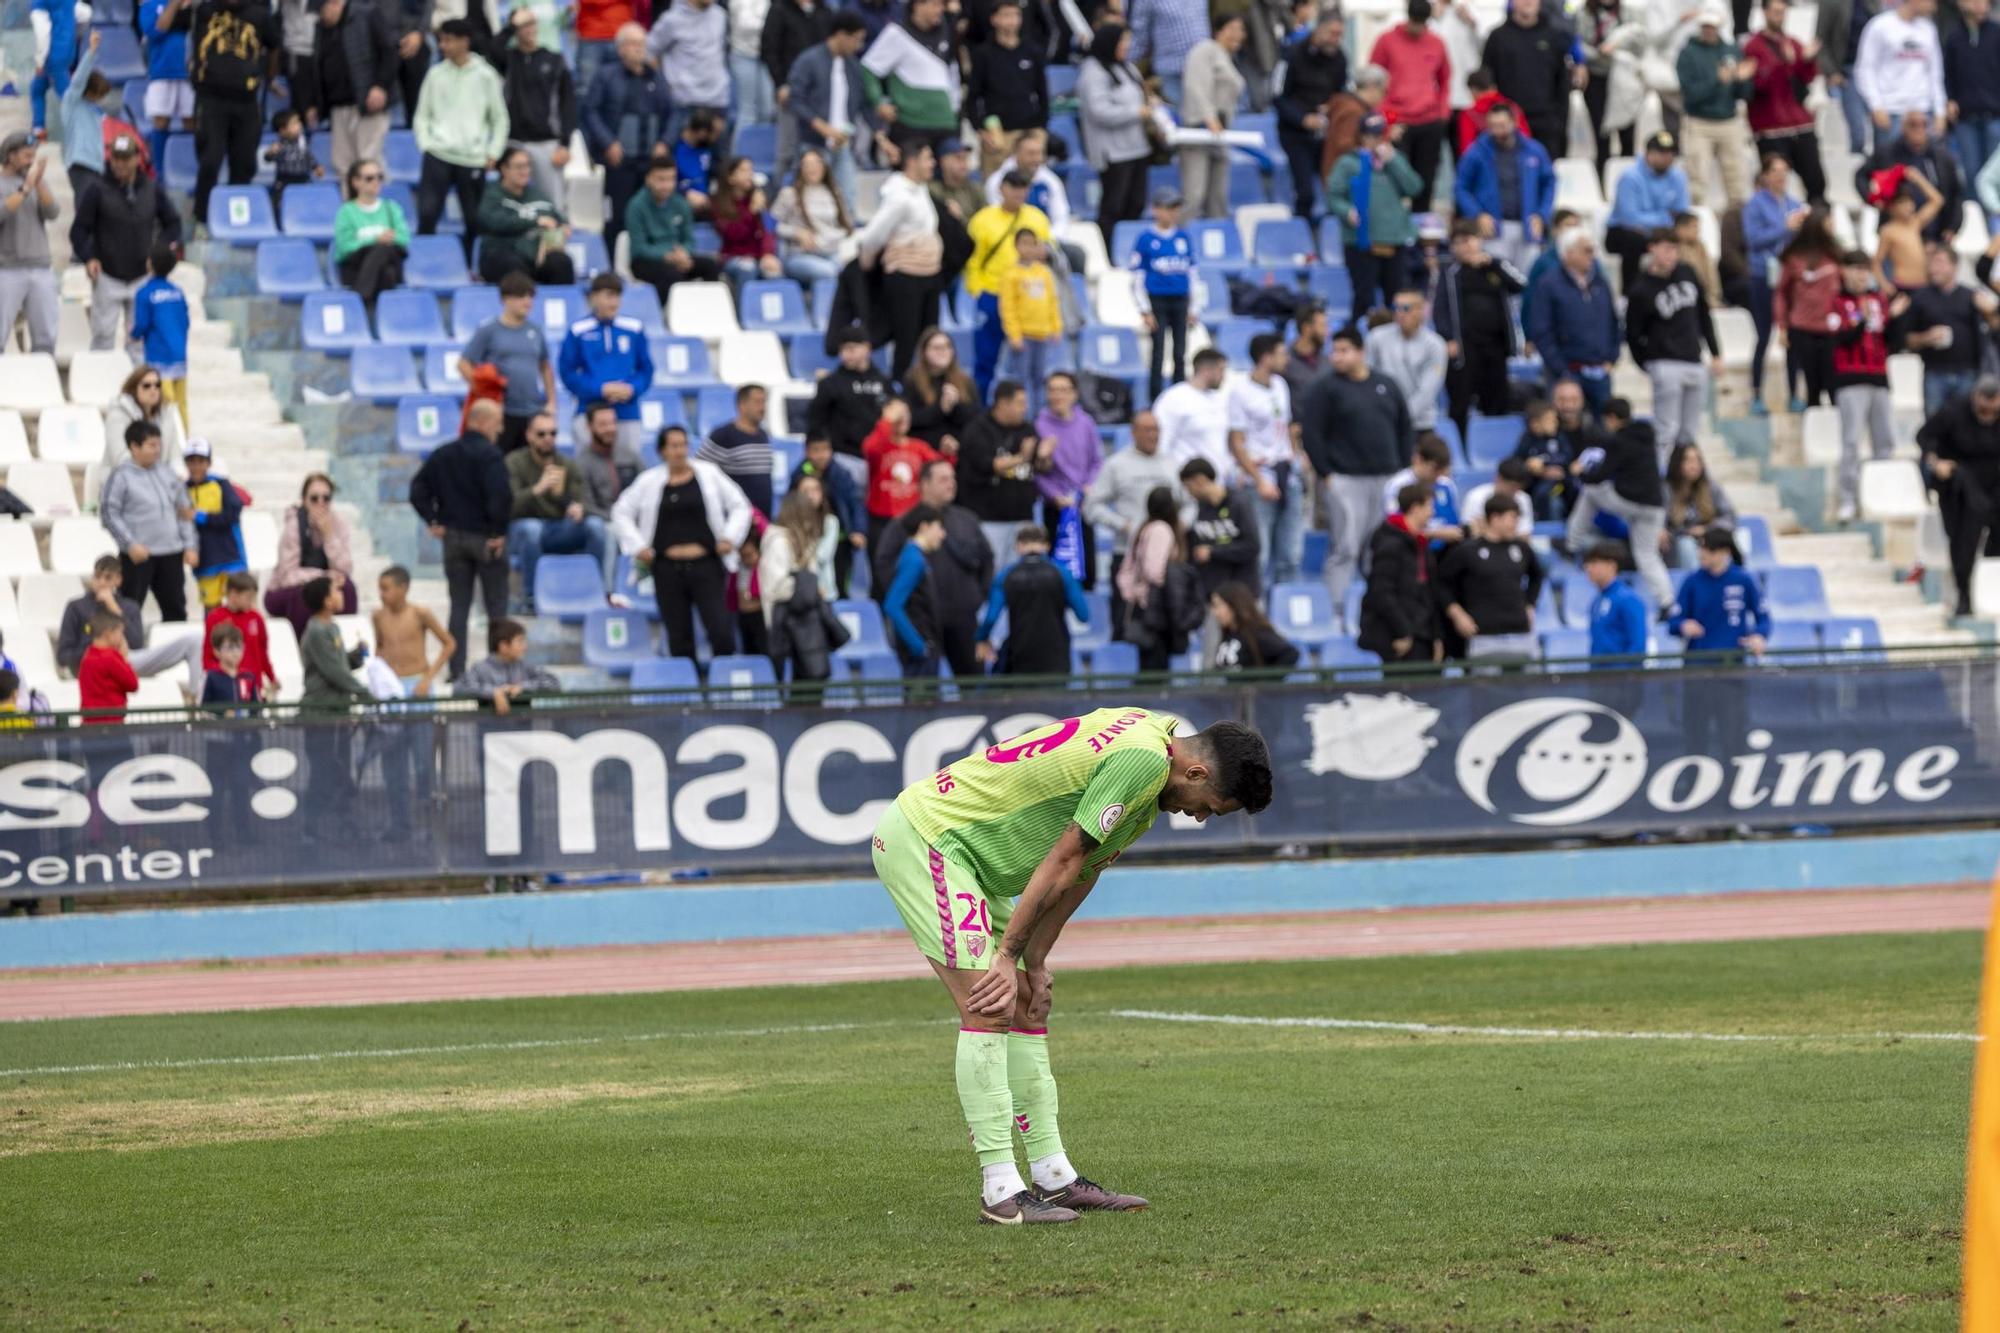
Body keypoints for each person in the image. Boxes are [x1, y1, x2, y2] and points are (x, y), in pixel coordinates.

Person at [869, 705, 1271, 1222]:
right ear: (1196, 772)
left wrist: (1035, 960)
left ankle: (1054, 1178)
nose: (1198, 816)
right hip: (930, 838)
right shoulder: (1142, 761)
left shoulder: (1150, 773)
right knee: (990, 1006)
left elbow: (1082, 872)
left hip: (969, 859)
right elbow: (1063, 856)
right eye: (1209, 806)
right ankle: (999, 1192)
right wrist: (1007, 955)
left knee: (1027, 1007)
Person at [1299, 327, 1413, 623]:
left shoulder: (1386, 385)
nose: (1337, 357)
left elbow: (1404, 428)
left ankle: (1377, 608)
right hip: (1345, 478)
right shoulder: (1325, 389)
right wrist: (1327, 474)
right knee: (1346, 546)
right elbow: (1312, 435)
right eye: (1334, 351)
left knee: (1380, 548)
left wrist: (1402, 470)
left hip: (1386, 477)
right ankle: (1336, 611)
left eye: (1344, 350)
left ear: (1361, 352)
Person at [611, 425, 755, 660]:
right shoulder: (649, 480)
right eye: (674, 446)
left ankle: (722, 686)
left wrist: (730, 537)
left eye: (683, 444)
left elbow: (740, 505)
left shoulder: (709, 473)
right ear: (662, 451)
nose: (680, 451)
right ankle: (689, 688)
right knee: (679, 636)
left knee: (720, 630)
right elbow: (621, 511)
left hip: (706, 565)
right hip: (667, 568)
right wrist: (638, 546)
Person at [409, 400, 511, 678]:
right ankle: (497, 671)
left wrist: (432, 519)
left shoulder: (444, 454)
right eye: (497, 422)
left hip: (453, 538)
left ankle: (457, 671)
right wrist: (498, 532)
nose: (500, 429)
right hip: (485, 540)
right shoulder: (490, 456)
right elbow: (500, 497)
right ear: (483, 422)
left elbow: (417, 489)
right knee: (496, 609)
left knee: (459, 607)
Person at [871, 458, 992, 674]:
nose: (951, 484)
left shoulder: (967, 519)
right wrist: (914, 602)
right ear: (924, 484)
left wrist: (977, 596)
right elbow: (884, 565)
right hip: (923, 623)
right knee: (924, 694)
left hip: (963, 619)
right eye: (943, 479)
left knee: (973, 686)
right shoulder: (903, 524)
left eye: (953, 478)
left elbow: (986, 559)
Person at [70, 136, 181, 353]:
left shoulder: (151, 189)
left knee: (138, 340)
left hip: (141, 275)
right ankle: (100, 383)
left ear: (137, 159)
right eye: (116, 158)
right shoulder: (97, 189)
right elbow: (79, 230)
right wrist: (89, 256)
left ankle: (136, 385)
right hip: (107, 274)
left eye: (125, 159)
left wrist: (159, 253)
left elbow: (173, 224)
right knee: (102, 336)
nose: (120, 164)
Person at [1625, 227, 1723, 461]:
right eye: (1666, 249)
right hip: (1665, 363)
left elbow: (1704, 314)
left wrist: (1715, 351)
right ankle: (1660, 481)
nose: (1671, 255)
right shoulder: (1641, 288)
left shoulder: (1687, 272)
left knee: (1689, 432)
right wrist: (1648, 363)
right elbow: (1633, 333)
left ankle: (1683, 483)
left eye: (1675, 250)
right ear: (1653, 249)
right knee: (1666, 429)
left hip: (1694, 360)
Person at [413, 19, 509, 257]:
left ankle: (466, 268)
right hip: (438, 155)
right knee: (427, 214)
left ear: (464, 41)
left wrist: (493, 152)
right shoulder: (435, 74)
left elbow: (500, 119)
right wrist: (426, 144)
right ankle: (425, 263)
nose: (443, 45)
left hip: (472, 159)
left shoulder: (486, 75)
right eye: (441, 40)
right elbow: (421, 116)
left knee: (474, 220)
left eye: (448, 40)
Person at [1565, 397, 1673, 609]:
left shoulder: (1617, 441)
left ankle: (1571, 544)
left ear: (1612, 418)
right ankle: (1667, 602)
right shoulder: (1648, 435)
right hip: (1655, 506)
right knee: (1647, 554)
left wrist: (1578, 474)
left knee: (1590, 492)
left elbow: (1600, 475)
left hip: (1628, 501)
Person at [856, 140, 945, 379]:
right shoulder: (899, 197)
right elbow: (873, 236)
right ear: (912, 162)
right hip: (906, 278)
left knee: (930, 339)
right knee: (906, 341)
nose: (933, 164)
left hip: (929, 275)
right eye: (928, 158)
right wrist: (867, 263)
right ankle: (902, 389)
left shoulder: (922, 190)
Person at [1086, 412, 1181, 634]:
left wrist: (1181, 526)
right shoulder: (1116, 465)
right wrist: (1123, 525)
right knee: (1125, 626)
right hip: (1128, 555)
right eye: (1147, 430)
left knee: (1164, 629)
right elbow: (1092, 506)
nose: (1153, 435)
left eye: (1156, 429)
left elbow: (1188, 503)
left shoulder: (1171, 464)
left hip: (1167, 559)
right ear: (1133, 432)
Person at [1434, 218, 1526, 444]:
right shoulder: (1450, 272)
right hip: (1465, 348)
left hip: (1495, 346)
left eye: (1469, 240)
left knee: (1497, 400)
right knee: (1461, 401)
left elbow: (1521, 284)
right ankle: (1461, 447)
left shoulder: (1495, 265)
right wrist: (1448, 338)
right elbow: (1440, 309)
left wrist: (1494, 265)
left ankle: (1494, 444)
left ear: (1479, 241)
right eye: (1459, 242)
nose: (1465, 247)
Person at [1325, 114, 1423, 324]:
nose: (1374, 141)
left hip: (1394, 239)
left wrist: (1394, 161)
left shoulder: (1395, 161)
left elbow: (1414, 187)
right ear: (1361, 136)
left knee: (1396, 298)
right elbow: (1333, 195)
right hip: (1361, 242)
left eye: (1378, 135)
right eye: (1369, 136)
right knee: (1364, 298)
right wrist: (1347, 211)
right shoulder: (1348, 163)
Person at [55, 554, 204, 692]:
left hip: (126, 661)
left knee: (194, 641)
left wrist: (114, 607)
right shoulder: (76, 607)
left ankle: (199, 703)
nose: (101, 583)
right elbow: (63, 654)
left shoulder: (129, 606)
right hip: (91, 663)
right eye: (98, 577)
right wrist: (99, 652)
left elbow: (137, 643)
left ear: (118, 580)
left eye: (107, 578)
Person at [507, 411, 610, 609]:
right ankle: (531, 598)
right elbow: (509, 507)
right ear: (529, 435)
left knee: (595, 527)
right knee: (531, 529)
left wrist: (579, 509)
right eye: (541, 434)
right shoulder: (514, 462)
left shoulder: (567, 464)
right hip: (523, 530)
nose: (548, 439)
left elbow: (582, 501)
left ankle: (594, 590)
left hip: (559, 528)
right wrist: (537, 489)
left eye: (553, 434)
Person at [189, 0, 279, 227]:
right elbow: (164, 26)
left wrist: (270, 77)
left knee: (245, 164)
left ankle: (236, 221)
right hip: (211, 98)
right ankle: (202, 219)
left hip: (246, 101)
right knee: (210, 160)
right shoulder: (205, 11)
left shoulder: (259, 13)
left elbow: (275, 45)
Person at [583, 24, 672, 252]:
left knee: (647, 219)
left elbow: (673, 113)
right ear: (620, 48)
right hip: (618, 161)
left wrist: (664, 142)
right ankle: (611, 265)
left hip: (648, 162)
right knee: (616, 218)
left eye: (642, 44)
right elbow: (590, 111)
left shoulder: (656, 77)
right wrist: (607, 142)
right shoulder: (606, 76)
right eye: (632, 44)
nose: (638, 50)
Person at [1832, 248, 1905, 521]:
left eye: (1865, 269)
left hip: (1880, 377)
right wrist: (1861, 320)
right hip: (1850, 378)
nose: (1861, 275)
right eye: (1855, 268)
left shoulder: (1879, 300)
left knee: (1884, 440)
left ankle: (1881, 494)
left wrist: (1896, 318)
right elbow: (1841, 339)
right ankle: (1848, 499)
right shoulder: (1837, 302)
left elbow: (1892, 341)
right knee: (1851, 441)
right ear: (1844, 271)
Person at [1223, 334, 1301, 588]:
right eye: (1281, 353)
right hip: (1260, 476)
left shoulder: (1280, 385)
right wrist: (1258, 481)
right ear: (1266, 357)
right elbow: (1236, 442)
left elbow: (1286, 427)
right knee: (1261, 553)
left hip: (1286, 472)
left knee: (1291, 553)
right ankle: (1257, 614)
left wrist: (1298, 456)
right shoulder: (1240, 391)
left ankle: (1285, 608)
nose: (1286, 358)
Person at [966, 169, 1052, 396]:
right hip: (992, 292)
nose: (1018, 193)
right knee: (985, 358)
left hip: (1026, 297)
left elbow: (1046, 254)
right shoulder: (983, 220)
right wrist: (977, 290)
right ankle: (980, 408)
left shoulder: (1037, 218)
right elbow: (972, 259)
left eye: (1023, 188)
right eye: (1013, 187)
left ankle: (1024, 414)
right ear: (1001, 189)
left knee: (1027, 367)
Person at [100, 420, 196, 623]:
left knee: (176, 610)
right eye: (151, 445)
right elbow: (109, 513)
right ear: (134, 447)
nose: (157, 450)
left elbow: (185, 510)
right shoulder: (121, 476)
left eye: (158, 445)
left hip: (171, 552)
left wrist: (190, 545)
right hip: (139, 556)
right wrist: (130, 544)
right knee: (128, 609)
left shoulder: (168, 473)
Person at [1919, 376, 2000, 615]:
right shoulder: (1954, 412)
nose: (1988, 414)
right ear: (1975, 398)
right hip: (1960, 483)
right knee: (1963, 541)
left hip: (1994, 480)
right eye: (1984, 409)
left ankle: (1990, 585)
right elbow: (1925, 437)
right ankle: (1963, 594)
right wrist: (1935, 462)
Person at [1451, 102, 1555, 274]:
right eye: (1493, 126)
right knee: (1496, 278)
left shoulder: (1534, 150)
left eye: (1502, 126)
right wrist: (1477, 214)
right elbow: (1460, 187)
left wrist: (1542, 215)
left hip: (1527, 225)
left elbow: (1549, 183)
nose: (1498, 131)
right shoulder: (1477, 152)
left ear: (1513, 123)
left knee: (1528, 277)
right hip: (1494, 228)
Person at [1438, 495, 1545, 663]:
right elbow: (1442, 583)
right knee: (1485, 688)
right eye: (1512, 518)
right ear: (1495, 518)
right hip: (1483, 635)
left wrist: (1530, 604)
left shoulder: (1522, 548)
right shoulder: (1468, 550)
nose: (1516, 524)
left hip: (1521, 633)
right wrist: (1457, 614)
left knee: (1528, 686)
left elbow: (1537, 576)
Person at [558, 272, 654, 458]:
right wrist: (600, 389)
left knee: (629, 468)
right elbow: (567, 373)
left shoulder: (634, 328)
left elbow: (646, 370)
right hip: (588, 412)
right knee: (588, 469)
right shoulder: (578, 331)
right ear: (594, 297)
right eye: (608, 295)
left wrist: (632, 388)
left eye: (617, 296)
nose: (614, 302)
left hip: (627, 412)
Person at [1076, 23, 1154, 249]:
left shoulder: (1127, 67)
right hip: (1113, 152)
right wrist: (1136, 112)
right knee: (1113, 206)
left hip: (1137, 146)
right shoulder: (1093, 72)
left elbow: (1140, 94)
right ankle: (1108, 250)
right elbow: (1099, 111)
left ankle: (1129, 248)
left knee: (1136, 203)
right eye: (1122, 42)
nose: (1126, 46)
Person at [460, 272, 556, 455]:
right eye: (521, 296)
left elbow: (545, 366)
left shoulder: (535, 331)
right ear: (505, 299)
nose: (527, 301)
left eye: (530, 296)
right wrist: (483, 392)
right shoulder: (489, 330)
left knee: (529, 464)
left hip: (531, 410)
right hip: (502, 411)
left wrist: (551, 402)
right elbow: (464, 364)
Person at [1527, 229, 1621, 412]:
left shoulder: (1600, 282)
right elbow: (1541, 330)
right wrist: (1562, 370)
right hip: (1565, 373)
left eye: (1592, 250)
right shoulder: (1548, 284)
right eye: (1586, 250)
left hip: (1600, 371)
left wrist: (1612, 357)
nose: (1592, 255)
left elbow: (1613, 322)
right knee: (1564, 430)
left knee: (1602, 432)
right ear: (1568, 253)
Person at [305, 0, 396, 188]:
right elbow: (318, 68)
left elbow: (390, 52)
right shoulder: (321, 28)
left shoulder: (368, 14)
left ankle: (375, 213)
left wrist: (380, 86)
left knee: (368, 162)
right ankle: (352, 213)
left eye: (322, 11)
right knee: (343, 164)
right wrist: (316, 102)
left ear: (335, 3)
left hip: (368, 104)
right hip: (338, 106)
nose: (321, 16)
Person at [975, 522, 1088, 674]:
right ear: (1046, 546)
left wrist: (981, 639)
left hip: (1019, 652)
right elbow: (1083, 615)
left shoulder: (1005, 576)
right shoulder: (1064, 575)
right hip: (1056, 654)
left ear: (1018, 546)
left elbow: (990, 618)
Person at [1743, 156, 1808, 413]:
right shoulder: (1756, 205)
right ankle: (1757, 394)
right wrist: (1785, 227)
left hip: (1790, 277)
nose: (1781, 177)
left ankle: (1794, 393)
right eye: (1776, 171)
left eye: (1785, 171)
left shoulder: (1794, 204)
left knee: (1792, 336)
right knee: (1763, 334)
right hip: (1763, 275)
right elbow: (1753, 240)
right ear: (1766, 175)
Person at [1744, 0, 1826, 205]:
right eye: (1775, 11)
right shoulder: (1753, 46)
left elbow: (1807, 79)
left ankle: (1817, 226)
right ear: (1764, 12)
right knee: (1774, 184)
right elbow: (1757, 84)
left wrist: (1806, 60)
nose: (1779, 16)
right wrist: (1784, 63)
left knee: (1816, 181)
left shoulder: (1792, 43)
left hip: (1800, 123)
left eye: (1783, 11)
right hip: (1771, 126)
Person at [785, 13, 872, 205]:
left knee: (847, 199)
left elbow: (861, 103)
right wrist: (822, 126)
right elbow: (795, 99)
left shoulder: (853, 66)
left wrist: (880, 136)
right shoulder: (809, 60)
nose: (858, 46)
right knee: (807, 200)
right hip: (812, 143)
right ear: (841, 35)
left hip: (842, 143)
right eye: (856, 40)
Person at [1370, 0, 1452, 204]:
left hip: (1429, 119)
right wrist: (1386, 118)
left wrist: (1442, 113)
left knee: (1426, 178)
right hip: (1398, 119)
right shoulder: (1386, 41)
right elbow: (1374, 80)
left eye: (1422, 23)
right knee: (1397, 177)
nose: (1418, 27)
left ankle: (1422, 225)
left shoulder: (1436, 42)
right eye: (1415, 22)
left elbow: (1445, 79)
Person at [957, 380, 1043, 568]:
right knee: (992, 572)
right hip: (989, 519)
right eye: (1020, 403)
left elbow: (1040, 466)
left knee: (1021, 575)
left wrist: (1044, 456)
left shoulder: (1027, 429)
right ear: (1003, 403)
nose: (1025, 408)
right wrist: (1021, 457)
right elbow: (989, 465)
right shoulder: (978, 429)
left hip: (1022, 517)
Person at [1676, 7, 1756, 209]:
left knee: (1737, 181)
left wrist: (1742, 80)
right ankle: (1694, 228)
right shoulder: (1687, 54)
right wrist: (1717, 80)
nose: (1709, 30)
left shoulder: (1731, 50)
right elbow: (1691, 95)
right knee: (1697, 181)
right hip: (1699, 122)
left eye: (1713, 26)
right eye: (1706, 25)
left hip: (1729, 121)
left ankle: (1737, 231)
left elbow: (1743, 94)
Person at [1358, 482, 1445, 664]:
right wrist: (1403, 631)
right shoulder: (1390, 544)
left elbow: (1430, 593)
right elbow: (1381, 592)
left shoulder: (1421, 545)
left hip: (1422, 633)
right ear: (1415, 508)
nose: (1432, 513)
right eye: (1429, 506)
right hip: (1395, 638)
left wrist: (1436, 636)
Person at [860, 0, 960, 155]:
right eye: (935, 5)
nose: (940, 10)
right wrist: (879, 103)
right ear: (918, 5)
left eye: (942, 5)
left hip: (946, 122)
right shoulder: (897, 34)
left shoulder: (946, 32)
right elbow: (868, 69)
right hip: (911, 124)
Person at [501, 7, 578, 209]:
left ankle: (555, 240)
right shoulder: (508, 59)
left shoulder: (555, 60)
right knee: (512, 202)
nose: (529, 29)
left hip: (547, 143)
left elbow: (568, 103)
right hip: (514, 142)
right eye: (523, 25)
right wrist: (511, 26)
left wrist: (565, 144)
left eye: (532, 24)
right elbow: (489, 50)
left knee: (553, 203)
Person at [1275, 13, 1349, 221]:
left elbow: (1341, 92)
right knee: (1305, 191)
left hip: (1325, 133)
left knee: (1336, 187)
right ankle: (1303, 234)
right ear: (1319, 30)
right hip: (1295, 133)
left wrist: (1331, 107)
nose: (1335, 39)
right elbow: (1278, 96)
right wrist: (1302, 119)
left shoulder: (1339, 58)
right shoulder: (1292, 54)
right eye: (1332, 33)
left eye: (1340, 35)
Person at [265, 472, 359, 635]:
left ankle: (342, 643)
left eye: (326, 498)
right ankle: (305, 650)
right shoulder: (293, 526)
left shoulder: (338, 524)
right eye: (314, 498)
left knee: (348, 589)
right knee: (304, 596)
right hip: (283, 591)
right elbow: (287, 576)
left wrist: (329, 536)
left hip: (323, 587)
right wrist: (323, 576)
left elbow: (345, 570)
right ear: (304, 500)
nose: (320, 503)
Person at [964, 0, 1049, 176]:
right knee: (995, 187)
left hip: (1030, 130)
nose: (1012, 21)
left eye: (1016, 15)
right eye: (1006, 15)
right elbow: (972, 96)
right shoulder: (983, 54)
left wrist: (1041, 127)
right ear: (994, 19)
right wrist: (980, 129)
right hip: (999, 134)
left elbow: (1042, 92)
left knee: (1034, 185)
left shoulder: (1032, 51)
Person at [1032, 372, 1101, 586]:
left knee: (1087, 569)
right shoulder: (1039, 425)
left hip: (1083, 503)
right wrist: (1055, 496)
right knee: (1056, 570)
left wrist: (1089, 485)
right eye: (1052, 389)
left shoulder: (1086, 423)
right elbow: (1036, 471)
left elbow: (1097, 460)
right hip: (1056, 507)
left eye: (1063, 389)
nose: (1057, 395)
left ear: (1074, 394)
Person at [1129, 188, 1198, 400]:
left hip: (1180, 299)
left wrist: (1194, 307)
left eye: (1176, 209)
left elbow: (1192, 273)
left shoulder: (1183, 237)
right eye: (1169, 208)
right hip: (1157, 300)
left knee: (1180, 352)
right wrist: (1144, 310)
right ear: (1156, 210)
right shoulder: (1146, 239)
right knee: (1157, 353)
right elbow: (1137, 277)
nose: (1173, 213)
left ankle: (1180, 397)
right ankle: (1156, 399)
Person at [1481, 0, 1572, 161]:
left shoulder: (1553, 36)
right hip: (1509, 124)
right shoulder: (1497, 37)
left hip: (1546, 122)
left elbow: (1562, 83)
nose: (1528, 2)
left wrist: (1559, 120)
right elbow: (1487, 83)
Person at [625, 154, 724, 302]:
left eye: (671, 179)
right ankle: (669, 314)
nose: (666, 185)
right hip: (645, 260)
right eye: (661, 179)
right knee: (671, 274)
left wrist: (684, 254)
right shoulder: (636, 206)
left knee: (710, 266)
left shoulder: (681, 204)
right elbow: (639, 247)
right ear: (648, 179)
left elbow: (689, 239)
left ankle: (708, 309)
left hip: (678, 257)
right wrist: (667, 256)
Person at [1858, 110, 1963, 250]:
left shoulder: (1942, 157)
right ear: (1903, 127)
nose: (1919, 129)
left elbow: (1953, 195)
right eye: (1913, 125)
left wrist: (1953, 226)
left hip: (1934, 233)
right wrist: (1871, 198)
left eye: (1924, 124)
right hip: (1897, 231)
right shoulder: (1887, 152)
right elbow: (1860, 176)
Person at [1176, 15, 1247, 219]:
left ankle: (1216, 243)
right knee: (1194, 195)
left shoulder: (1226, 57)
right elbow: (1196, 87)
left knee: (1219, 197)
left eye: (1241, 29)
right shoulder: (1204, 50)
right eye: (1232, 28)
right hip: (1199, 130)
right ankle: (1183, 242)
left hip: (1221, 134)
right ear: (1219, 30)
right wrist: (1210, 118)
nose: (1237, 35)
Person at [1116, 485, 1194, 670]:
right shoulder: (1161, 529)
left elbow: (1125, 571)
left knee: (1149, 662)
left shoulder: (1143, 528)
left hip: (1145, 607)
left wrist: (1133, 594)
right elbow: (1154, 571)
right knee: (1156, 665)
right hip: (1156, 609)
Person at [1903, 241, 1985, 414]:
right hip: (1935, 373)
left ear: (1954, 266)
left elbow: (1984, 337)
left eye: (1940, 263)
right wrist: (1926, 338)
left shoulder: (1971, 297)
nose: (1934, 269)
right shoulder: (1920, 297)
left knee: (1965, 431)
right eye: (1931, 263)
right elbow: (1907, 340)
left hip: (1967, 373)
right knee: (1934, 430)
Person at [1774, 208, 1845, 409]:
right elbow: (1781, 292)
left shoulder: (1836, 256)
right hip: (1803, 327)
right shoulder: (1794, 258)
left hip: (1832, 328)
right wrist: (1782, 325)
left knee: (1834, 384)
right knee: (1812, 385)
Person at [0, 130, 61, 357]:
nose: (31, 160)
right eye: (26, 156)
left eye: (33, 155)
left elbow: (53, 212)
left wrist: (38, 184)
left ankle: (43, 382)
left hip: (41, 267)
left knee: (45, 337)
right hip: (7, 269)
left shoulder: (36, 183)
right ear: (10, 156)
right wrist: (26, 188)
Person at [477, 146, 575, 285]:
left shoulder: (537, 194)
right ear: (504, 169)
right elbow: (492, 221)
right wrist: (535, 221)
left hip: (536, 258)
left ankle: (559, 305)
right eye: (519, 167)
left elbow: (557, 215)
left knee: (561, 263)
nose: (525, 171)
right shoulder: (492, 194)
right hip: (501, 254)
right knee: (513, 266)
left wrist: (563, 226)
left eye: (528, 166)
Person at [1604, 131, 1690, 289]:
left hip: (1659, 231)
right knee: (1633, 240)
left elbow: (1681, 211)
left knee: (1686, 237)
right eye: (1662, 153)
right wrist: (1665, 218)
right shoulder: (1630, 177)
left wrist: (1660, 223)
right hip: (1622, 231)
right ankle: (1630, 294)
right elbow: (1630, 219)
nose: (1667, 157)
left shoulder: (1678, 176)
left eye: (1670, 153)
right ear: (1648, 154)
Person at [810, 326, 895, 487]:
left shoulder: (883, 381)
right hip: (844, 457)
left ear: (867, 348)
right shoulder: (830, 383)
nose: (846, 355)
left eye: (851, 348)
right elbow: (815, 421)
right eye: (843, 350)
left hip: (880, 458)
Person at [1854, 0, 1947, 145]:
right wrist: (1876, 106)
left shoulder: (1929, 29)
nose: (1934, 5)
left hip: (1923, 111)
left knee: (1924, 166)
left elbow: (1935, 73)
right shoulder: (1880, 26)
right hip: (1891, 111)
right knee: (1890, 166)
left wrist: (1940, 111)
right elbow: (1865, 69)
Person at [1367, 291, 1449, 451]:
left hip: (1420, 425)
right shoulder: (1377, 337)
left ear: (1421, 310)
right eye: (1395, 308)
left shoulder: (1435, 345)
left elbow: (1427, 391)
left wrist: (1400, 417)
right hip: (1383, 421)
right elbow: (1367, 377)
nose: (1399, 314)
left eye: (1406, 308)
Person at [1678, 526, 1769, 658]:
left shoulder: (1744, 580)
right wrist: (1683, 625)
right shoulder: (1692, 581)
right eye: (1700, 548)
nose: (1702, 553)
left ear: (1725, 552)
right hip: (1698, 663)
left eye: (1710, 549)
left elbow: (1763, 617)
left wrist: (1759, 635)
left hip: (1733, 662)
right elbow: (1675, 620)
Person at [332, 156, 409, 308]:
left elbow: (403, 239)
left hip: (386, 257)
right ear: (355, 182)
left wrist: (382, 241)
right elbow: (344, 247)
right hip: (356, 266)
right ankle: (384, 316)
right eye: (369, 178)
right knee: (388, 272)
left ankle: (361, 297)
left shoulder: (391, 208)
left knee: (384, 251)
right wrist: (375, 239)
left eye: (379, 177)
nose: (376, 181)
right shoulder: (346, 212)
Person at [998, 231, 1063, 411]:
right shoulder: (1011, 274)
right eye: (1024, 243)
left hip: (1043, 334)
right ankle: (1022, 414)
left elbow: (1052, 301)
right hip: (1024, 336)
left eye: (1032, 244)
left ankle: (1038, 414)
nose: (1028, 248)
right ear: (1016, 246)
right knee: (1021, 380)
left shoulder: (1043, 272)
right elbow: (1008, 307)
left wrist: (1056, 327)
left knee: (1040, 378)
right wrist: (1014, 334)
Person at [1179, 458, 1260, 600]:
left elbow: (1252, 546)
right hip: (1212, 595)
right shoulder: (1197, 510)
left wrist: (1213, 552)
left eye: (1189, 486)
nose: (1189, 493)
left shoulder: (1239, 503)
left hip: (1242, 595)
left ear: (1200, 480)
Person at [128, 244, 191, 428]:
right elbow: (186, 322)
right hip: (179, 355)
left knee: (165, 406)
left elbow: (142, 324)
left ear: (150, 264)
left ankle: (170, 443)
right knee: (182, 405)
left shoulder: (145, 293)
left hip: (158, 357)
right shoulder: (178, 292)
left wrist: (133, 334)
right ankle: (184, 443)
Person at [772, 148, 854, 287]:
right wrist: (797, 233)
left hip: (831, 251)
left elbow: (846, 225)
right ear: (800, 168)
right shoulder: (789, 194)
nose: (812, 168)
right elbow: (770, 223)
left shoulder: (834, 193)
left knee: (851, 272)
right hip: (800, 255)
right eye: (807, 164)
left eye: (816, 163)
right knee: (830, 271)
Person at [371, 565, 456, 697]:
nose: (382, 595)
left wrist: (427, 679)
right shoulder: (378, 616)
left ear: (403, 588)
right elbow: (379, 648)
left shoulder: (420, 613)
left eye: (386, 589)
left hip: (417, 682)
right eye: (380, 589)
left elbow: (449, 644)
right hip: (391, 683)